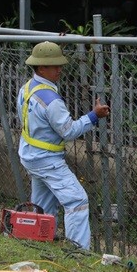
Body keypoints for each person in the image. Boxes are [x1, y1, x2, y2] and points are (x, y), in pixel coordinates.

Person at [16, 41, 110, 249]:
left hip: (30, 155)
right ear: (41, 68)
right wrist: (94, 116)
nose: (59, 69)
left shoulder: (26, 89)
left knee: (43, 205)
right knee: (77, 201)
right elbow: (69, 131)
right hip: (47, 160)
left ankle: (39, 241)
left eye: (60, 65)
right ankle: (78, 252)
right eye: (54, 66)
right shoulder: (51, 100)